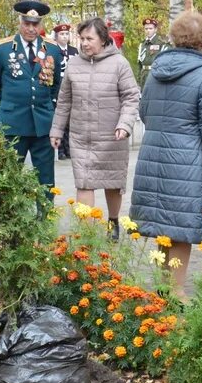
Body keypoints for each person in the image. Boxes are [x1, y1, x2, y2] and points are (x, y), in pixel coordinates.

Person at [129, 10, 202, 293]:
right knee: (181, 226)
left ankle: (163, 287)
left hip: (153, 152)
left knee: (163, 221)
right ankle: (176, 292)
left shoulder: (156, 70)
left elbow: (144, 111)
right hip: (187, 157)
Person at [51, 17, 140, 236]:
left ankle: (113, 222)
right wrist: (57, 130)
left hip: (112, 136)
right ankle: (87, 236)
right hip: (81, 136)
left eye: (89, 38)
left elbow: (131, 97)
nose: (84, 43)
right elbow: (64, 101)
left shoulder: (119, 63)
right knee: (84, 182)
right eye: (81, 38)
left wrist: (125, 124)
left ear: (102, 39)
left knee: (112, 182)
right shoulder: (74, 63)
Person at [0, 0, 65, 189]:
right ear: (20, 22)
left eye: (35, 24)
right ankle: (8, 218)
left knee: (45, 179)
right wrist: (6, 108)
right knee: (8, 178)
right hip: (12, 125)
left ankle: (44, 217)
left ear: (41, 24)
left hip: (43, 124)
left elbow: (56, 85)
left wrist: (49, 108)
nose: (31, 28)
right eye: (27, 24)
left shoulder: (52, 49)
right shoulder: (3, 48)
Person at [52, 23, 76, 160]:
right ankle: (61, 150)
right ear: (56, 36)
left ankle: (69, 149)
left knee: (71, 121)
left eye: (67, 34)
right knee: (61, 120)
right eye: (62, 34)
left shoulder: (74, 51)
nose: (65, 36)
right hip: (59, 89)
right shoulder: (53, 51)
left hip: (72, 88)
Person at [136, 17, 169, 84]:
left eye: (150, 28)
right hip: (143, 76)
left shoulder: (161, 44)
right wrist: (138, 80)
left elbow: (165, 64)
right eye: (146, 29)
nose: (148, 31)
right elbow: (139, 65)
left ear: (155, 29)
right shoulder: (142, 45)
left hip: (155, 76)